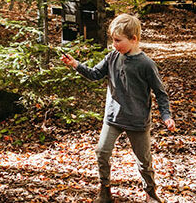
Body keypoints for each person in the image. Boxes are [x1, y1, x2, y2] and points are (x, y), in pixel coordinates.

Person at [61, 13, 175, 203]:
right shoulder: (112, 57)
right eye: (112, 40)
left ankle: (150, 192)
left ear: (134, 39)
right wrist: (75, 64)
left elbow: (160, 92)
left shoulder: (146, 64)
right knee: (102, 152)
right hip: (113, 117)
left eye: (118, 40)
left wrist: (166, 115)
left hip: (137, 120)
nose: (114, 44)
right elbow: (95, 74)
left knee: (144, 160)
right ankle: (105, 190)